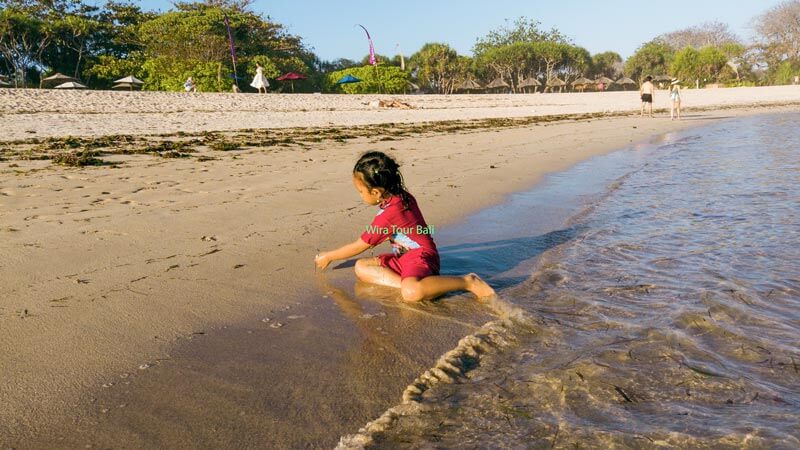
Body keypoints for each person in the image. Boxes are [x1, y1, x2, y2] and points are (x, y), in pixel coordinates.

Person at [314, 151, 496, 303]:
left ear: (376, 192)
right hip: (403, 258)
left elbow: (360, 245)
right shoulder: (401, 195)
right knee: (362, 267)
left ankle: (467, 282)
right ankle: (413, 284)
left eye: (361, 191)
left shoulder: (390, 214)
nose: (361, 196)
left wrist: (329, 256)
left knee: (411, 294)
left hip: (421, 258)